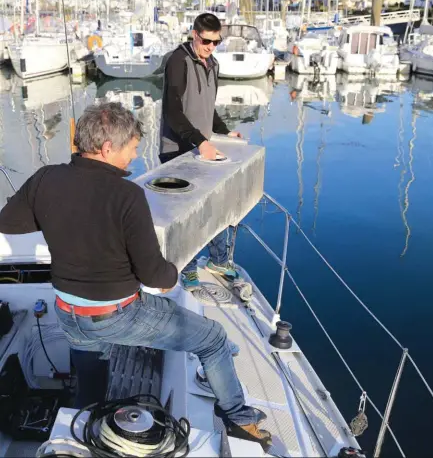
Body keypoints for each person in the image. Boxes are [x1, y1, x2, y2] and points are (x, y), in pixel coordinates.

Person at [0, 103, 272, 450]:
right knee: (214, 339)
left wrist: (54, 213)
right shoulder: (127, 195)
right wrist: (175, 272)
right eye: (131, 148)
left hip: (68, 313)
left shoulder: (45, 179)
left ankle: (87, 429)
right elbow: (154, 274)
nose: (133, 157)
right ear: (108, 148)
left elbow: (8, 221)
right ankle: (239, 419)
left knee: (91, 382)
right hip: (118, 316)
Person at [160, 12, 241, 280]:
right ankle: (189, 269)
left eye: (216, 42)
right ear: (195, 34)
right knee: (188, 215)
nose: (211, 47)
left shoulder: (213, 64)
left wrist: (224, 130)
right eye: (207, 41)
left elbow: (208, 106)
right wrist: (200, 142)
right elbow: (172, 111)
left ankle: (218, 261)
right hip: (177, 151)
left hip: (202, 149)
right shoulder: (178, 61)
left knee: (215, 205)